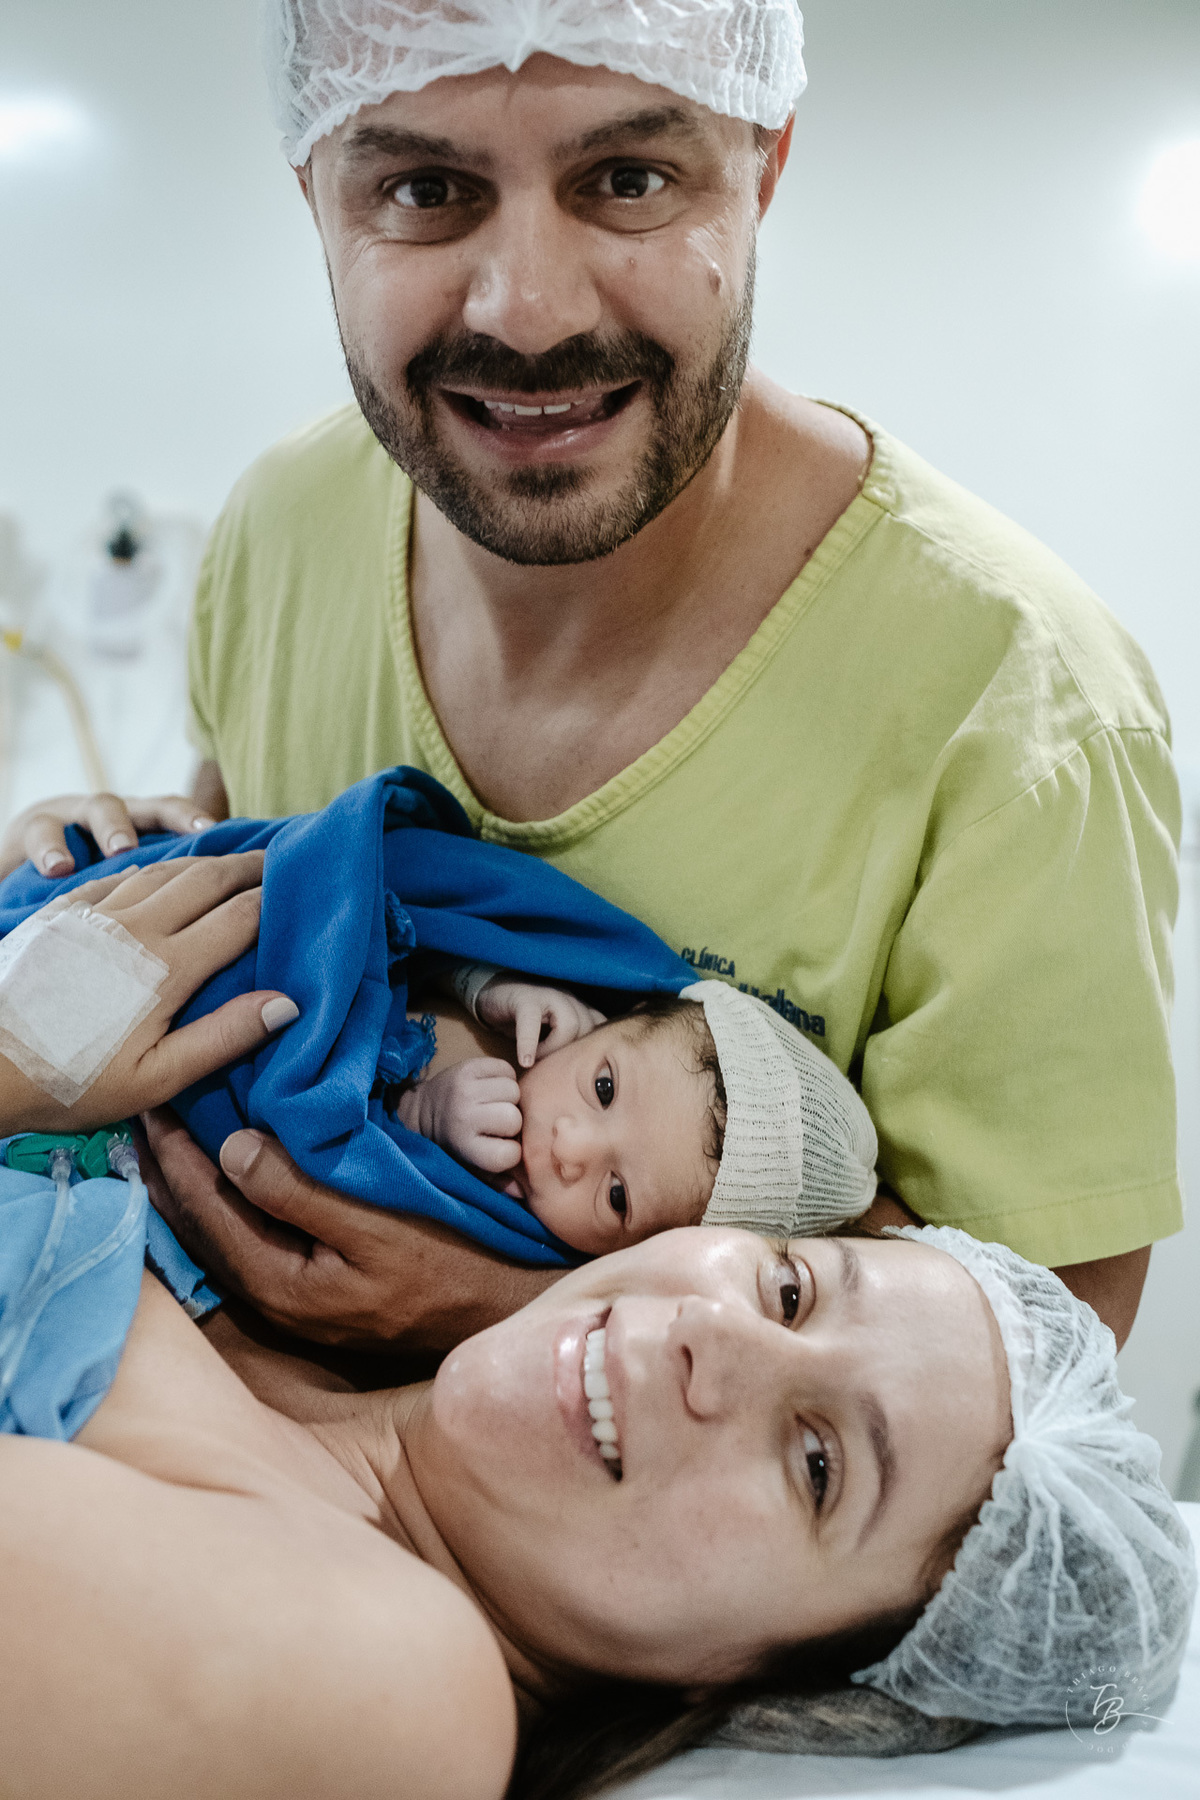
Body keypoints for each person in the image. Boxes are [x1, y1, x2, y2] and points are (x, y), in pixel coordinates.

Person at [1, 0, 1182, 1351]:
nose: (530, 311)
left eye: (628, 180)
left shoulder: (1015, 709)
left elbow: (1047, 1367)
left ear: (765, 165)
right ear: (315, 197)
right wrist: (103, 876)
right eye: (425, 190)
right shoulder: (284, 525)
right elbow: (243, 870)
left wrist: (517, 1310)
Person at [404, 969, 877, 1256]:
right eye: (604, 1088)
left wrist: (422, 1116)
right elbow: (412, 925)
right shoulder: (533, 1008)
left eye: (616, 1198)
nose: (569, 1147)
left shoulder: (508, 1246)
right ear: (622, 1015)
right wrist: (482, 985)